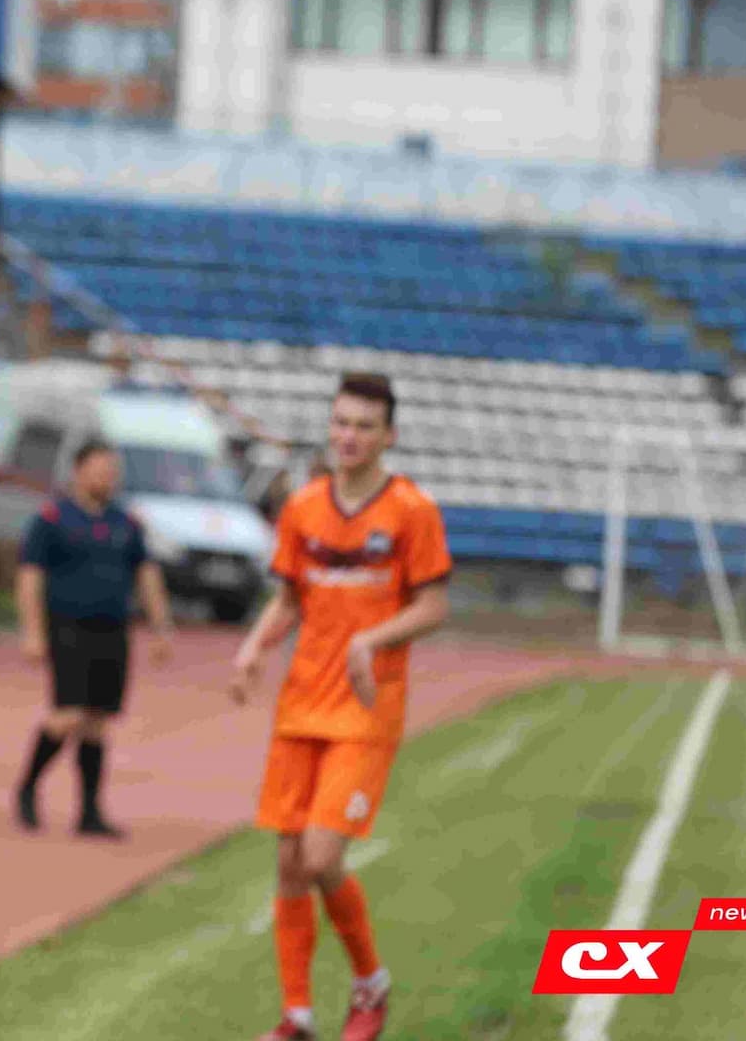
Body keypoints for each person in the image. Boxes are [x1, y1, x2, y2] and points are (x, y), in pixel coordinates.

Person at [229, 373, 451, 1041]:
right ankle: (297, 1015)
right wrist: (252, 648)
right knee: (289, 859)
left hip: (366, 707)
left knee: (323, 857)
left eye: (363, 425)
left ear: (389, 435)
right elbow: (291, 598)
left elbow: (434, 605)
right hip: (301, 705)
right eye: (341, 423)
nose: (349, 436)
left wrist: (372, 640)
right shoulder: (303, 507)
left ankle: (370, 984)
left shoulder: (411, 510)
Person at [12, 440, 174, 838]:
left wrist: (160, 626)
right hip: (68, 627)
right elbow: (30, 577)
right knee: (68, 715)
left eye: (113, 471)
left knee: (98, 721)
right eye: (101, 468)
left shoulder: (127, 523)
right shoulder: (52, 519)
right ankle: (29, 786)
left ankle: (89, 812)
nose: (108, 477)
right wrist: (32, 631)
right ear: (78, 470)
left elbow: (147, 574)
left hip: (113, 630)